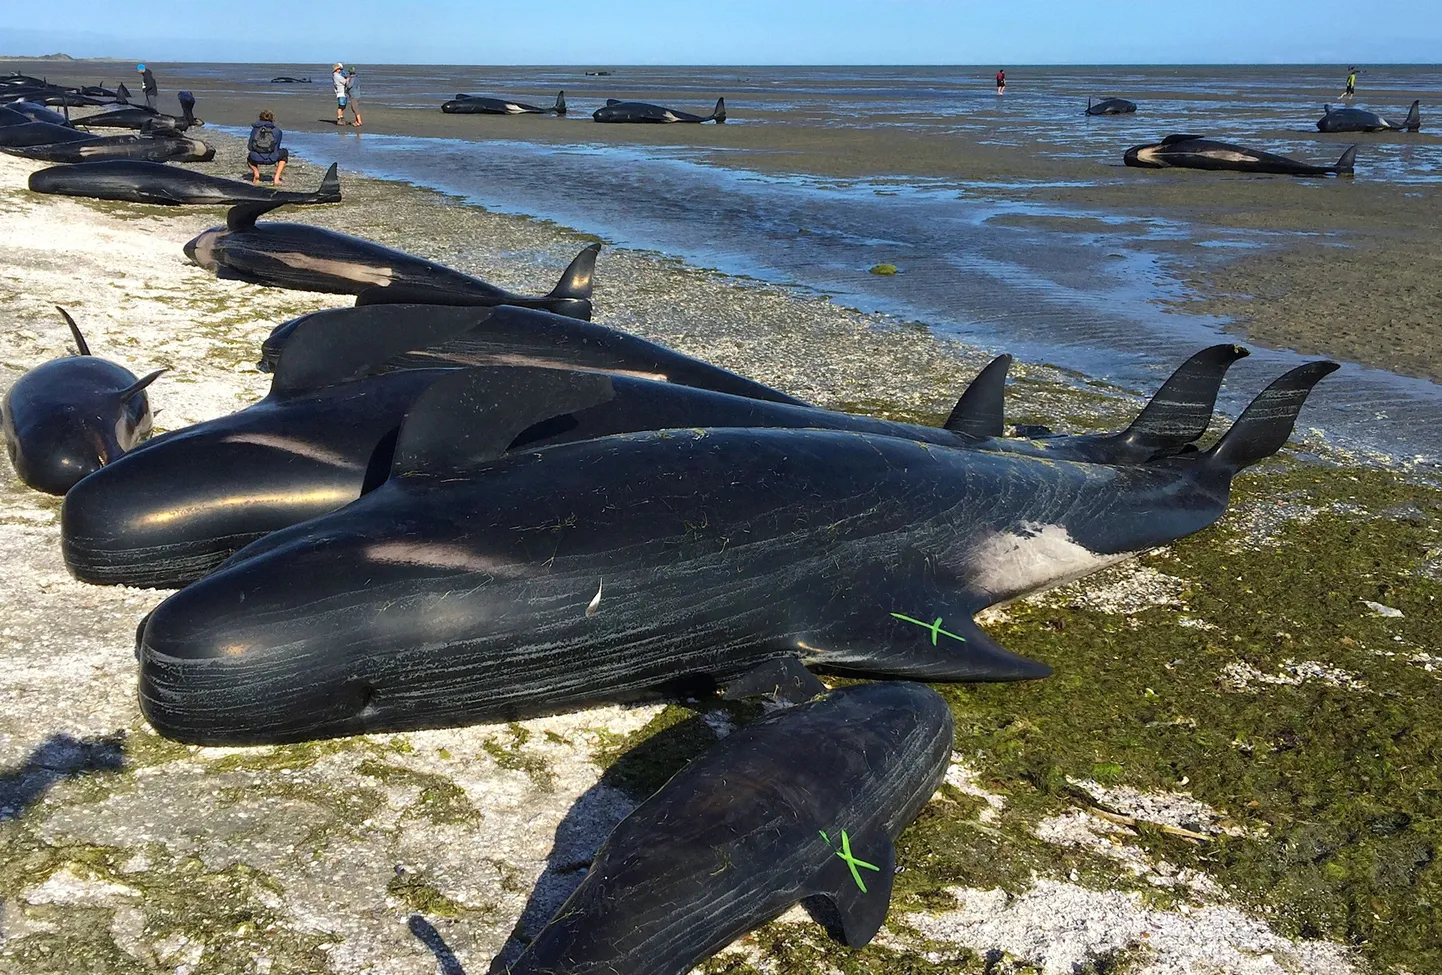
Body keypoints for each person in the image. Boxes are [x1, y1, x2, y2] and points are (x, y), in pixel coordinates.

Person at [246, 110, 289, 185]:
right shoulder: (277, 131)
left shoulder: (255, 130)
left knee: (250, 156)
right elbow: (276, 147)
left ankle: (256, 174)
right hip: (272, 158)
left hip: (256, 158)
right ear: (272, 119)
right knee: (284, 153)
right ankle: (276, 178)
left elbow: (250, 147)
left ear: (260, 118)